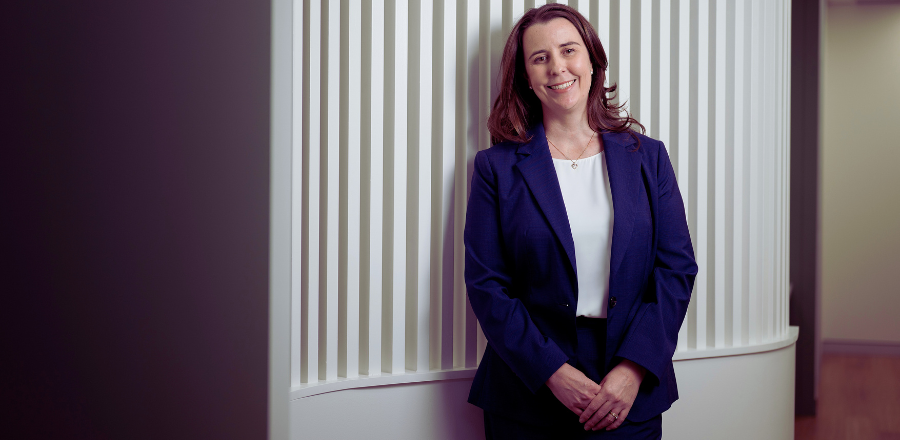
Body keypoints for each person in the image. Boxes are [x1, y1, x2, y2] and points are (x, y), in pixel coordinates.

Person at [463, 4, 698, 439]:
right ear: (526, 77)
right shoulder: (495, 168)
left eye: (568, 50)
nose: (557, 68)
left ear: (592, 60)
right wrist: (551, 371)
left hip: (628, 388)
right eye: (540, 58)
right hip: (527, 390)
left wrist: (633, 369)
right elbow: (486, 284)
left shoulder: (649, 158)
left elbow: (676, 269)